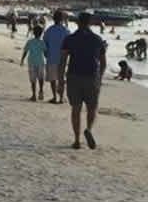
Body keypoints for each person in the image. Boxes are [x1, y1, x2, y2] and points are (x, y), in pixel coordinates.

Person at [60, 12, 107, 149]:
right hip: (91, 77)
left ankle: (76, 140)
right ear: (90, 23)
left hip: (74, 76)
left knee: (76, 108)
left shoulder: (70, 39)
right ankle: (89, 129)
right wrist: (99, 78)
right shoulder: (97, 39)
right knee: (92, 108)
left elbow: (62, 61)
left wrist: (60, 79)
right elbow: (103, 63)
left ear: (77, 23)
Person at [43, 11, 70, 104]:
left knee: (53, 79)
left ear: (53, 19)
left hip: (51, 57)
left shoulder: (49, 30)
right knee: (61, 79)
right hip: (63, 59)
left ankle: (54, 97)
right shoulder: (66, 31)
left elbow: (44, 43)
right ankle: (61, 98)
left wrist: (45, 53)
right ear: (62, 19)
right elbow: (69, 45)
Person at [20, 25, 48, 101]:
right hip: (41, 62)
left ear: (33, 32)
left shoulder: (30, 42)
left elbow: (25, 51)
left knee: (33, 79)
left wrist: (22, 60)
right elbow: (45, 53)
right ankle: (41, 91)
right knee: (41, 78)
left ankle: (34, 95)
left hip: (31, 62)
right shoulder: (42, 42)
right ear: (41, 33)